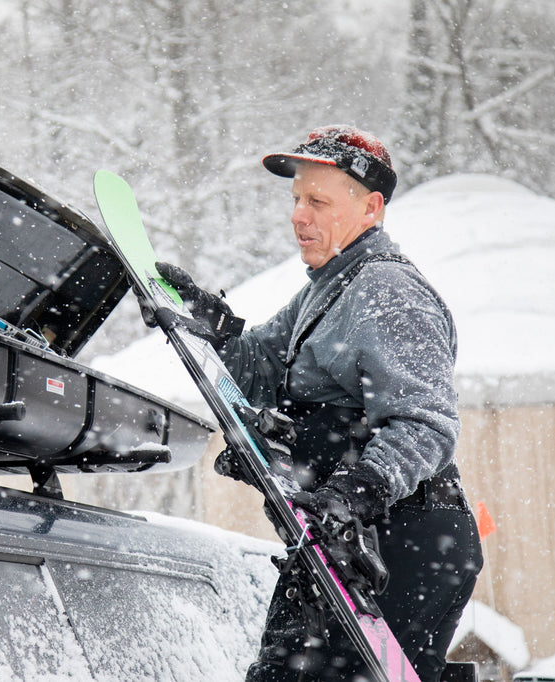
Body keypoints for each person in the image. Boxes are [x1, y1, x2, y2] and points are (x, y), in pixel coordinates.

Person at [155, 125, 483, 682]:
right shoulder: (327, 287)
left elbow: (426, 425)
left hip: (403, 536)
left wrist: (356, 491)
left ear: (370, 207)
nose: (298, 215)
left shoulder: (387, 293)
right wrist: (211, 326)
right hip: (340, 534)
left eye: (318, 201)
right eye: (296, 200)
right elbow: (260, 369)